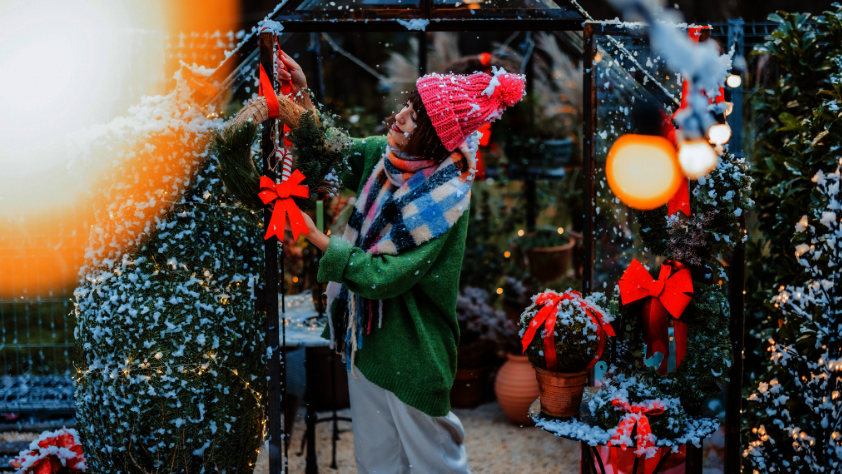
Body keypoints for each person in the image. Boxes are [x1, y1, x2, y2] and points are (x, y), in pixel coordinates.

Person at [278, 51, 525, 473]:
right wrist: (301, 93)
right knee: (377, 463)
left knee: (437, 465)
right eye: (407, 108)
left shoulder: (444, 202)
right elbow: (335, 150)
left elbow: (383, 277)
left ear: (434, 139)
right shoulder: (388, 160)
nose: (400, 118)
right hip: (368, 341)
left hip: (415, 352)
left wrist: (316, 236)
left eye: (414, 119)